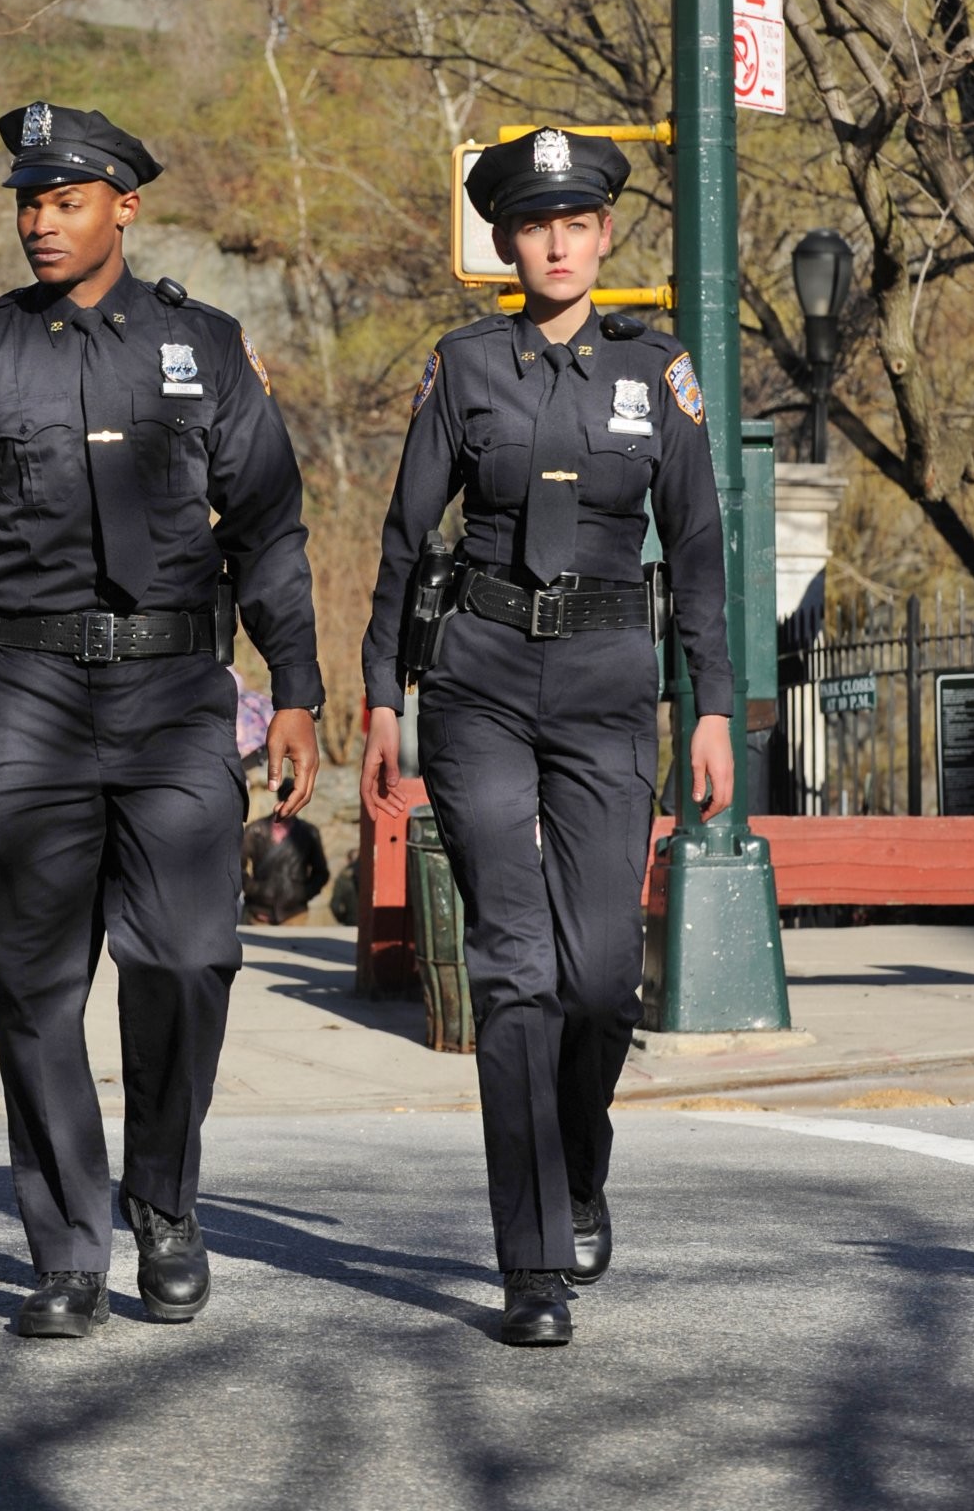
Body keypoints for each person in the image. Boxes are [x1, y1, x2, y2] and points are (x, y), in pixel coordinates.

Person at [0, 101, 323, 1339]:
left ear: (124, 206)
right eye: (29, 201)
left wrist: (295, 686)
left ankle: (163, 1201)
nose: (41, 222)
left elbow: (267, 525)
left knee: (188, 957)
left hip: (175, 696)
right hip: (28, 695)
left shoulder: (204, 347)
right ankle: (66, 1247)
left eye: (66, 201)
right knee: (37, 984)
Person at [359, 128, 733, 1347]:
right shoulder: (464, 365)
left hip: (609, 684)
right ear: (506, 243)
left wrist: (712, 701)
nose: (558, 243)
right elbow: (405, 535)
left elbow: (697, 546)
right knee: (513, 969)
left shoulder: (656, 369)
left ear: (605, 234)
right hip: (477, 680)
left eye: (576, 222)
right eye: (534, 225)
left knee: (601, 978)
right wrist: (379, 692)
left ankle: (578, 1164)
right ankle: (530, 1263)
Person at [241, 801, 329, 924]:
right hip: (259, 911)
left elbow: (321, 873)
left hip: (295, 914)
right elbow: (237, 866)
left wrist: (301, 894)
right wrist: (254, 890)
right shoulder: (256, 830)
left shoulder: (308, 832)